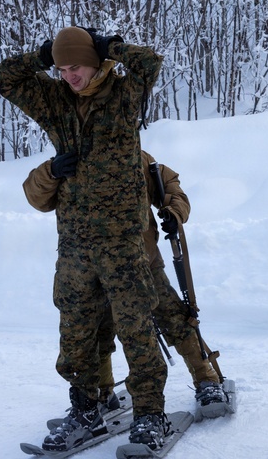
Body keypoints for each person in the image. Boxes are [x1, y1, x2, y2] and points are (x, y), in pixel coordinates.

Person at [0, 27, 171, 451]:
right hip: (74, 240)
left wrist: (113, 48)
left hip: (122, 240)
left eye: (75, 66)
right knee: (75, 328)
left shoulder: (125, 96)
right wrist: (40, 58)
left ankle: (150, 414)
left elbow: (150, 63)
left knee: (135, 326)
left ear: (94, 62)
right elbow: (5, 78)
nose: (69, 75)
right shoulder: (54, 101)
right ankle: (85, 408)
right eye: (62, 68)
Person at [23, 148, 227, 412]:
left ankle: (205, 379)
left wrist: (174, 213)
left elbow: (171, 186)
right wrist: (51, 171)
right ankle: (102, 391)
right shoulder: (67, 159)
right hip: (87, 268)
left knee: (173, 317)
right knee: (97, 330)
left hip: (140, 261)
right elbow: (36, 197)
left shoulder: (134, 156)